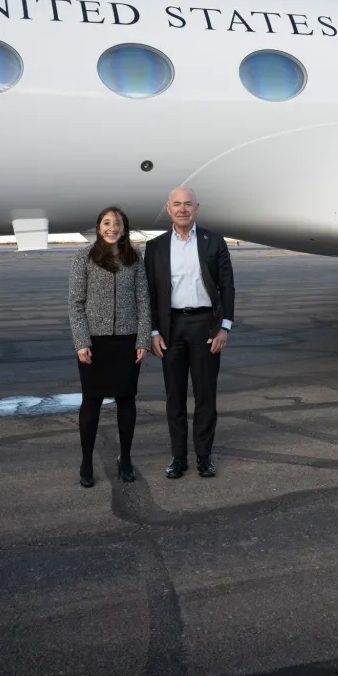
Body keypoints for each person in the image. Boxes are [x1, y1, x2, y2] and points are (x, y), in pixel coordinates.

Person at [144, 187, 234, 479]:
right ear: (168, 208)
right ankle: (178, 457)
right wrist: (154, 331)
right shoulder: (156, 247)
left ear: (197, 207)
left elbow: (227, 287)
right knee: (175, 397)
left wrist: (224, 327)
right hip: (171, 328)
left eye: (188, 204)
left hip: (206, 325)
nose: (183, 209)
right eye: (177, 205)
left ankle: (204, 457)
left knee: (206, 395)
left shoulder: (214, 241)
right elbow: (150, 293)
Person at [68, 206, 151, 487]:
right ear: (98, 227)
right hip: (95, 342)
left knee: (126, 399)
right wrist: (81, 342)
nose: (111, 228)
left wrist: (142, 340)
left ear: (125, 228)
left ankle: (125, 459)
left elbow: (143, 301)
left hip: (127, 340)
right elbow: (76, 304)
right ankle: (86, 461)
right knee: (91, 401)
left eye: (117, 223)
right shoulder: (84, 258)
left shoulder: (134, 258)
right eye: (106, 223)